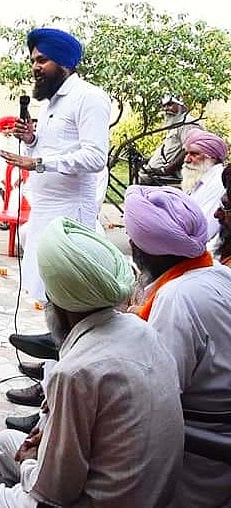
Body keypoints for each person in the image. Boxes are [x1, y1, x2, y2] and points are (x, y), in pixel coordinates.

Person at [0, 216, 184, 508]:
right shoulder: (141, 330)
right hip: (141, 490)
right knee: (2, 447)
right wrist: (49, 439)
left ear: (58, 304)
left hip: (92, 500)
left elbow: (54, 491)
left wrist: (29, 462)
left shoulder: (75, 372)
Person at [124, 186, 231, 507]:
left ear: (144, 249)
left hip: (194, 466)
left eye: (133, 240)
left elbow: (155, 404)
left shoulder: (177, 298)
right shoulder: (218, 273)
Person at [0, 28, 111, 303]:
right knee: (46, 284)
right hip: (45, 206)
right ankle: (54, 338)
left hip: (71, 208)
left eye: (42, 60)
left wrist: (37, 162)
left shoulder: (89, 97)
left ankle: (68, 344)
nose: (35, 67)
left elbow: (96, 157)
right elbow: (50, 150)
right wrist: (32, 140)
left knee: (69, 288)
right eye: (34, 61)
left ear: (64, 63)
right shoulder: (52, 103)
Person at [139, 95, 202, 185]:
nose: (166, 108)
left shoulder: (188, 123)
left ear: (181, 106)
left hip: (169, 176)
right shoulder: (176, 122)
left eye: (170, 104)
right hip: (157, 173)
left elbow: (188, 150)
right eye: (164, 106)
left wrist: (166, 170)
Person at [180, 129, 226, 242]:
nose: (186, 159)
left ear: (212, 158)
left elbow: (204, 232)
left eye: (194, 154)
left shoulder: (218, 182)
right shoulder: (199, 178)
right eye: (187, 153)